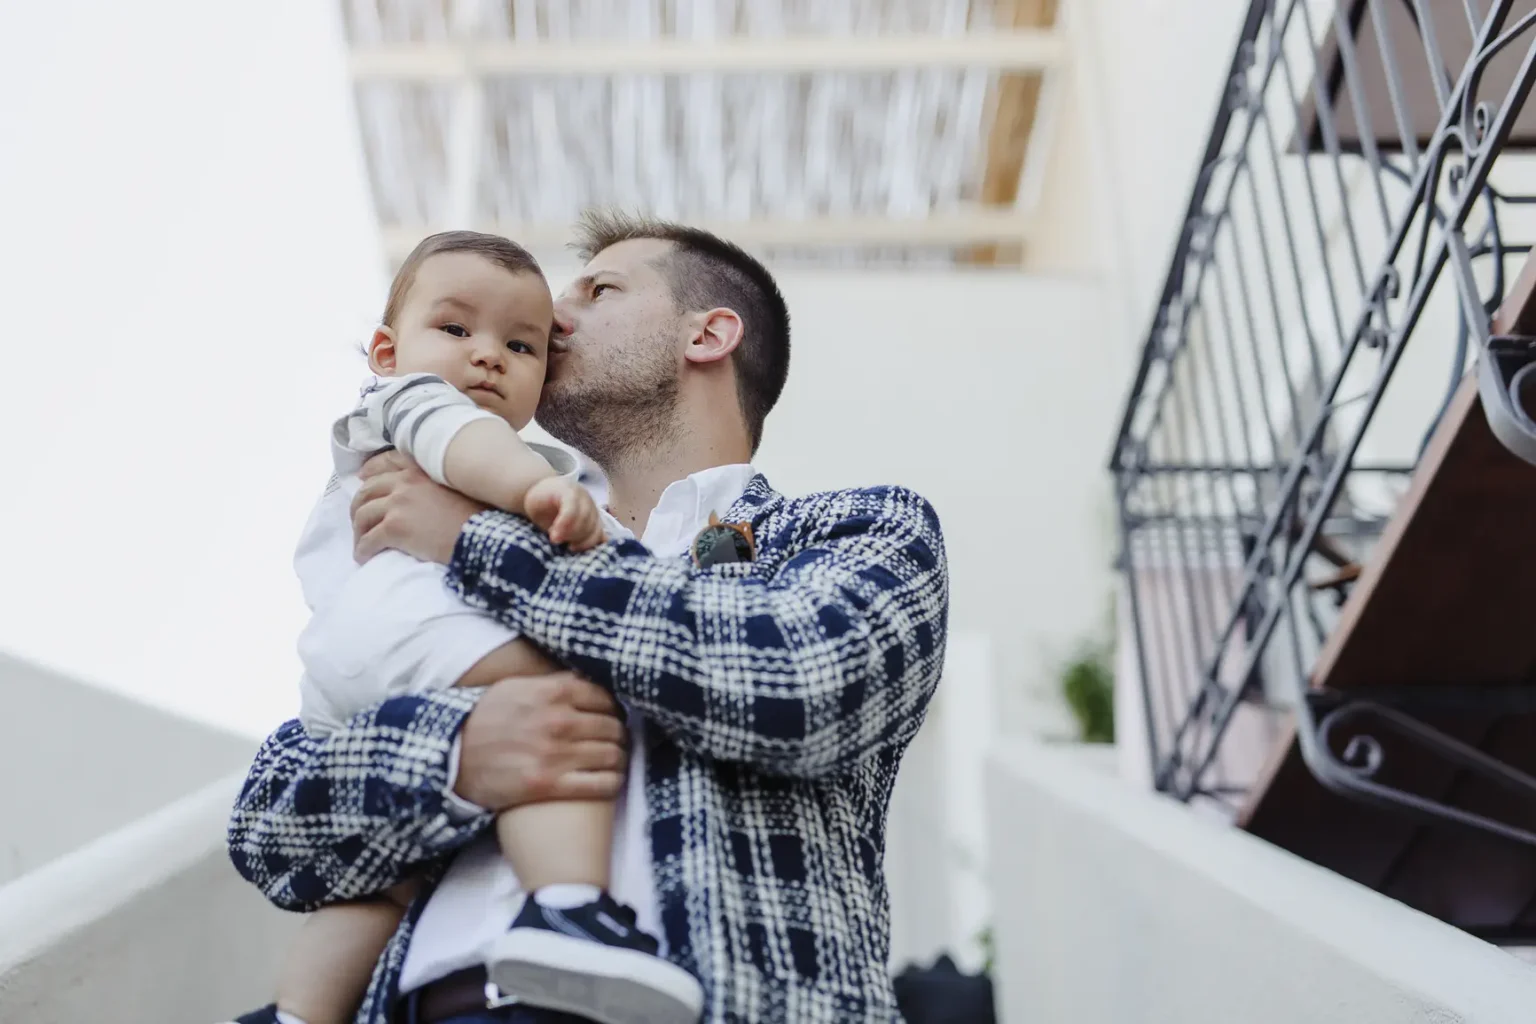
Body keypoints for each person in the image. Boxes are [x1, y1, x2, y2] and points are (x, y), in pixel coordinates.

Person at [227, 211, 950, 1024]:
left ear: (708, 334)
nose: (554, 316)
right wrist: (455, 760)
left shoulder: (857, 529)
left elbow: (799, 679)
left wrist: (478, 542)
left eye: (598, 289)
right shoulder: (426, 532)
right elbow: (270, 826)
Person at [257, 230, 701, 1024]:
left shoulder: (850, 529)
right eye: (457, 330)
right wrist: (535, 493)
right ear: (386, 352)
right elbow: (467, 446)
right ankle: (567, 907)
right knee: (565, 701)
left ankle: (297, 1012)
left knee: (387, 880)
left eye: (523, 344)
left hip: (361, 667)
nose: (489, 356)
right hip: (407, 621)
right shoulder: (413, 406)